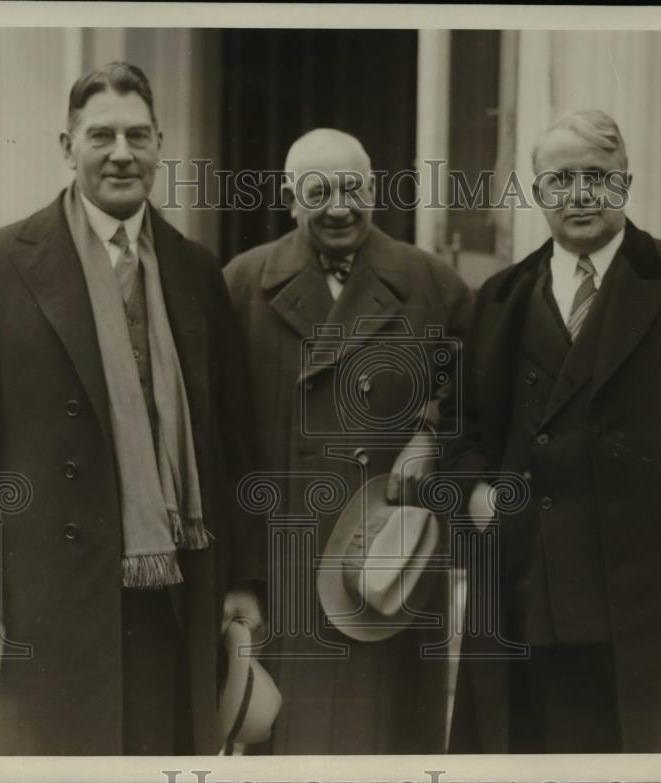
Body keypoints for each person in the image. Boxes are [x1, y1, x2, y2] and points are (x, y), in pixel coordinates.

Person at [0, 62, 265, 755]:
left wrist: (243, 579)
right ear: (66, 146)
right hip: (46, 604)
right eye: (101, 135)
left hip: (175, 599)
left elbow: (233, 440)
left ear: (160, 143)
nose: (121, 152)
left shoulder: (196, 269)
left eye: (138, 135)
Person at [443, 109, 661, 753]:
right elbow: (461, 431)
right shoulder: (497, 297)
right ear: (536, 192)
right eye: (559, 180)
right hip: (528, 587)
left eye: (597, 177)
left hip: (660, 590)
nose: (578, 196)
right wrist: (475, 495)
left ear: (626, 183)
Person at [223, 128, 473, 753]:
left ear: (376, 190)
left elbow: (482, 390)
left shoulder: (431, 283)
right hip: (285, 557)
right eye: (319, 189)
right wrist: (235, 572)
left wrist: (432, 435)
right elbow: (216, 435)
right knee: (292, 742)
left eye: (354, 187)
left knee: (385, 744)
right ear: (289, 197)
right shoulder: (241, 284)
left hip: (388, 560)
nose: (339, 205)